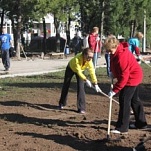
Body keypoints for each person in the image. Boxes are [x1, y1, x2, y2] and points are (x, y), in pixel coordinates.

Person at [103, 36, 147, 134]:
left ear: (115, 46)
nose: (109, 53)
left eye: (110, 50)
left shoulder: (122, 55)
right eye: (107, 51)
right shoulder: (115, 52)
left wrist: (114, 90)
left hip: (132, 78)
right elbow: (114, 63)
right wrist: (113, 72)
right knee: (134, 100)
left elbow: (124, 77)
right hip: (131, 76)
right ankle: (141, 123)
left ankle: (122, 128)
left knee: (124, 100)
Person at [59, 47, 102, 114]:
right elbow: (78, 72)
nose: (90, 59)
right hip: (71, 68)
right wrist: (86, 80)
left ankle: (81, 108)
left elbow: (92, 71)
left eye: (91, 57)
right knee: (66, 85)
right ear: (84, 55)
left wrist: (95, 83)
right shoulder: (77, 59)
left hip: (81, 71)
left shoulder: (89, 61)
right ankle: (62, 103)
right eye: (89, 57)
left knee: (81, 87)